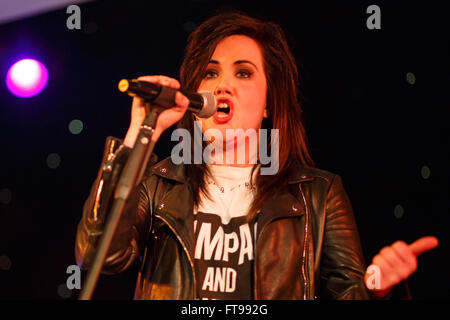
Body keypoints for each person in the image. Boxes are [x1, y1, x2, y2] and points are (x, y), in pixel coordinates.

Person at [75, 9, 438, 300]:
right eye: (210, 73)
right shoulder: (156, 182)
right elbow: (98, 256)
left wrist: (376, 287)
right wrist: (138, 136)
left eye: (244, 73)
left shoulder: (318, 193)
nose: (223, 85)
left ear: (268, 104)